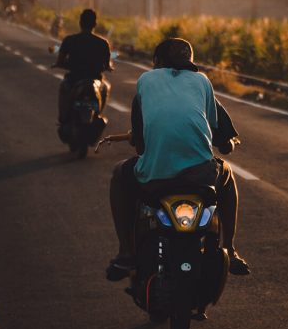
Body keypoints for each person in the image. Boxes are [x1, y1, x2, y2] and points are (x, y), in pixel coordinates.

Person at [104, 37, 250, 282]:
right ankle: (230, 248)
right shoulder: (201, 81)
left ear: (157, 61)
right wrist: (228, 142)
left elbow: (140, 147)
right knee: (227, 174)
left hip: (155, 177)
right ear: (190, 62)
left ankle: (125, 252)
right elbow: (224, 144)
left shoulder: (145, 81)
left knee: (119, 175)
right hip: (201, 176)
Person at [54, 9, 112, 139]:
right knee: (106, 87)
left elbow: (60, 60)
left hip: (74, 79)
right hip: (95, 80)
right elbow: (107, 65)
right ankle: (97, 113)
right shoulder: (103, 43)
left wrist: (61, 64)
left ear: (80, 23)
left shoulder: (69, 40)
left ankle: (63, 117)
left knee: (64, 86)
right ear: (94, 24)